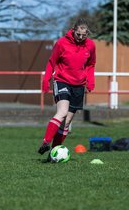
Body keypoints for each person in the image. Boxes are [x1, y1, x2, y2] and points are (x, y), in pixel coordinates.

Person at [38, 18, 96, 159]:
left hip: (78, 85)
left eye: (84, 35)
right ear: (73, 30)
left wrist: (90, 80)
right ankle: (45, 142)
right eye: (78, 34)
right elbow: (52, 62)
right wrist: (46, 80)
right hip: (62, 81)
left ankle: (53, 154)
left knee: (67, 123)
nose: (81, 38)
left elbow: (90, 64)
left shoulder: (91, 45)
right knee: (62, 112)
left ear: (88, 33)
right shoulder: (62, 43)